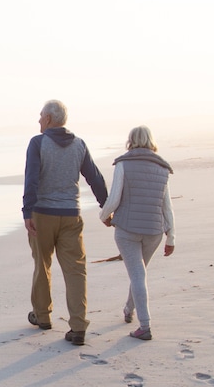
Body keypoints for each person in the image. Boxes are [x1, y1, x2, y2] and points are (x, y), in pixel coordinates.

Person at [22, 99, 108, 345]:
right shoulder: (79, 144)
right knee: (75, 270)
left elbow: (31, 179)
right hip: (71, 214)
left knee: (42, 265)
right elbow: (95, 178)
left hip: (42, 215)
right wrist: (107, 207)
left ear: (49, 118)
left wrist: (27, 212)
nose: (38, 119)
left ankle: (42, 316)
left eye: (40, 115)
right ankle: (78, 326)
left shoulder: (38, 143)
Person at [99, 125, 175, 341]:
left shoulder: (123, 164)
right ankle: (128, 310)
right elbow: (167, 206)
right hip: (154, 231)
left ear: (130, 140)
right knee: (139, 272)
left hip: (127, 230)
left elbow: (114, 198)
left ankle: (145, 326)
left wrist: (104, 216)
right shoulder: (162, 168)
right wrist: (171, 236)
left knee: (138, 274)